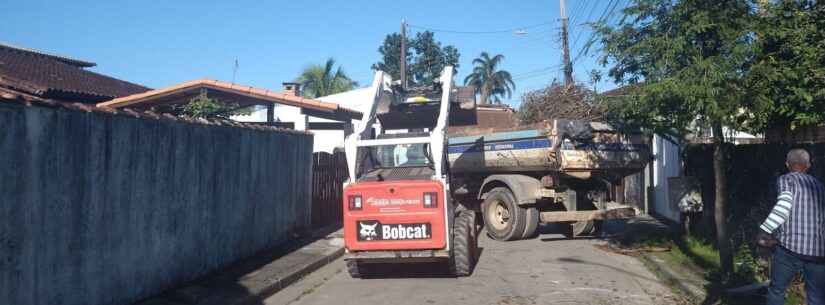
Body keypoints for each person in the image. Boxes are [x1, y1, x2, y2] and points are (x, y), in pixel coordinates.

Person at [757, 148, 825, 305]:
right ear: (808, 165)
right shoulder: (820, 186)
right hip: (818, 253)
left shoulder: (787, 180)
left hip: (790, 249)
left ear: (787, 164)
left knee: (777, 290)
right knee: (817, 298)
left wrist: (764, 230)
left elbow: (784, 204)